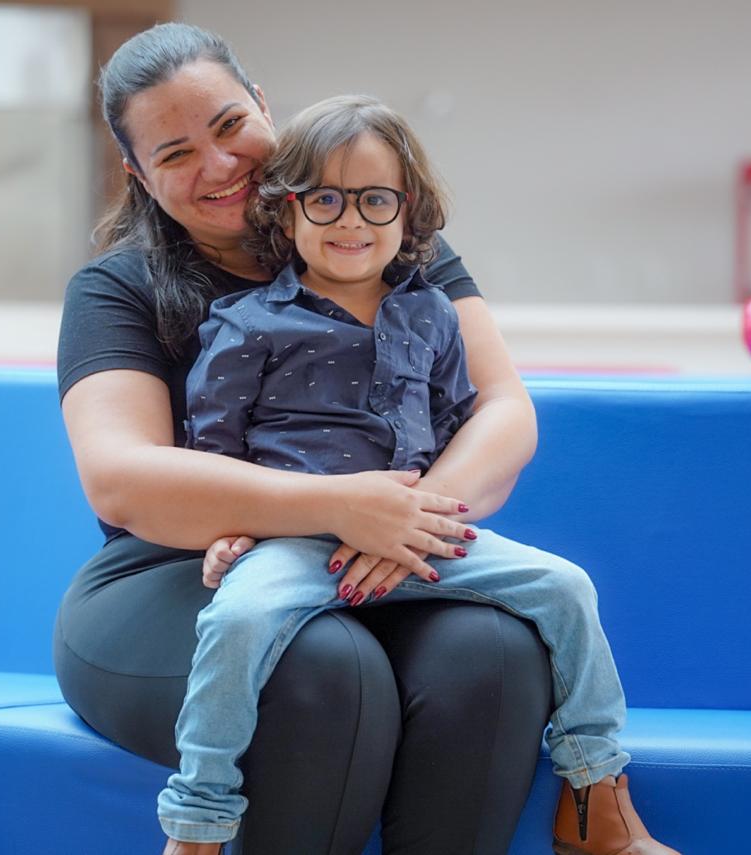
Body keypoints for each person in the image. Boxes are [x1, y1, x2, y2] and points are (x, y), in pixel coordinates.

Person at [55, 22, 554, 855]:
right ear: (138, 174)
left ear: (262, 105)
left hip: (379, 555)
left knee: (492, 654)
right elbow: (121, 477)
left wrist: (406, 520)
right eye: (176, 154)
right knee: (324, 668)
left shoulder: (388, 242)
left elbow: (504, 409)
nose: (220, 164)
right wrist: (337, 506)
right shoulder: (117, 287)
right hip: (176, 578)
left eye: (229, 125)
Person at [158, 95, 679, 855]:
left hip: (416, 541)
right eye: (325, 200)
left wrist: (422, 519)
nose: (351, 220)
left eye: (376, 200)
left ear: (408, 212)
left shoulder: (433, 315)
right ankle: (198, 825)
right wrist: (234, 530)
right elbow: (215, 448)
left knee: (568, 587)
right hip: (298, 542)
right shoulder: (247, 323)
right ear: (286, 210)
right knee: (235, 622)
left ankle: (595, 796)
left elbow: (456, 424)